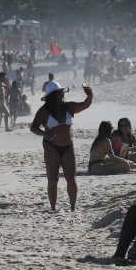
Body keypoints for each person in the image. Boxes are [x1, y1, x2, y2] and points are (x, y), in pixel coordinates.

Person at [30, 81, 93, 211]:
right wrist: (44, 133)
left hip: (68, 147)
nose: (61, 94)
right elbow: (33, 127)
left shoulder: (68, 107)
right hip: (51, 147)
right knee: (53, 178)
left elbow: (85, 105)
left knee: (71, 178)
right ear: (51, 95)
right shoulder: (44, 111)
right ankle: (53, 207)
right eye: (58, 92)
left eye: (61, 92)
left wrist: (90, 95)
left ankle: (73, 207)